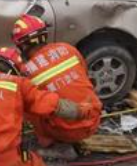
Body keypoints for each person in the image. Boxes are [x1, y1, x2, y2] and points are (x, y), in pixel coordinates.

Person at [12, 14, 102, 147]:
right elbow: (85, 74)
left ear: (22, 45)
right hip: (93, 120)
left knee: (29, 104)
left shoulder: (26, 72)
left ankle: (46, 140)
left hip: (65, 132)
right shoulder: (67, 48)